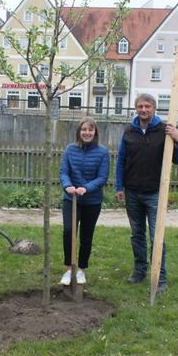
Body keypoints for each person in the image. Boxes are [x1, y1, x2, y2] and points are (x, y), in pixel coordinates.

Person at [115, 93, 178, 293]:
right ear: (136, 109)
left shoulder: (165, 130)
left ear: (154, 108)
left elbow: (177, 159)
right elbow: (121, 160)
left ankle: (160, 277)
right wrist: (119, 187)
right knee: (137, 235)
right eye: (140, 106)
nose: (143, 110)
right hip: (133, 192)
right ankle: (139, 270)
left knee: (157, 237)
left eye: (147, 106)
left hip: (155, 193)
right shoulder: (129, 131)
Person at [59, 117, 110, 286]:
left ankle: (81, 269)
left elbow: (102, 177)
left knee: (86, 235)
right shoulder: (70, 150)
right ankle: (68, 269)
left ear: (95, 132)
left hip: (92, 201)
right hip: (71, 198)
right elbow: (64, 172)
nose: (87, 133)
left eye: (90, 130)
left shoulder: (102, 152)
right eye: (84, 130)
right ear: (79, 132)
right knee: (68, 232)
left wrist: (86, 188)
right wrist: (68, 186)